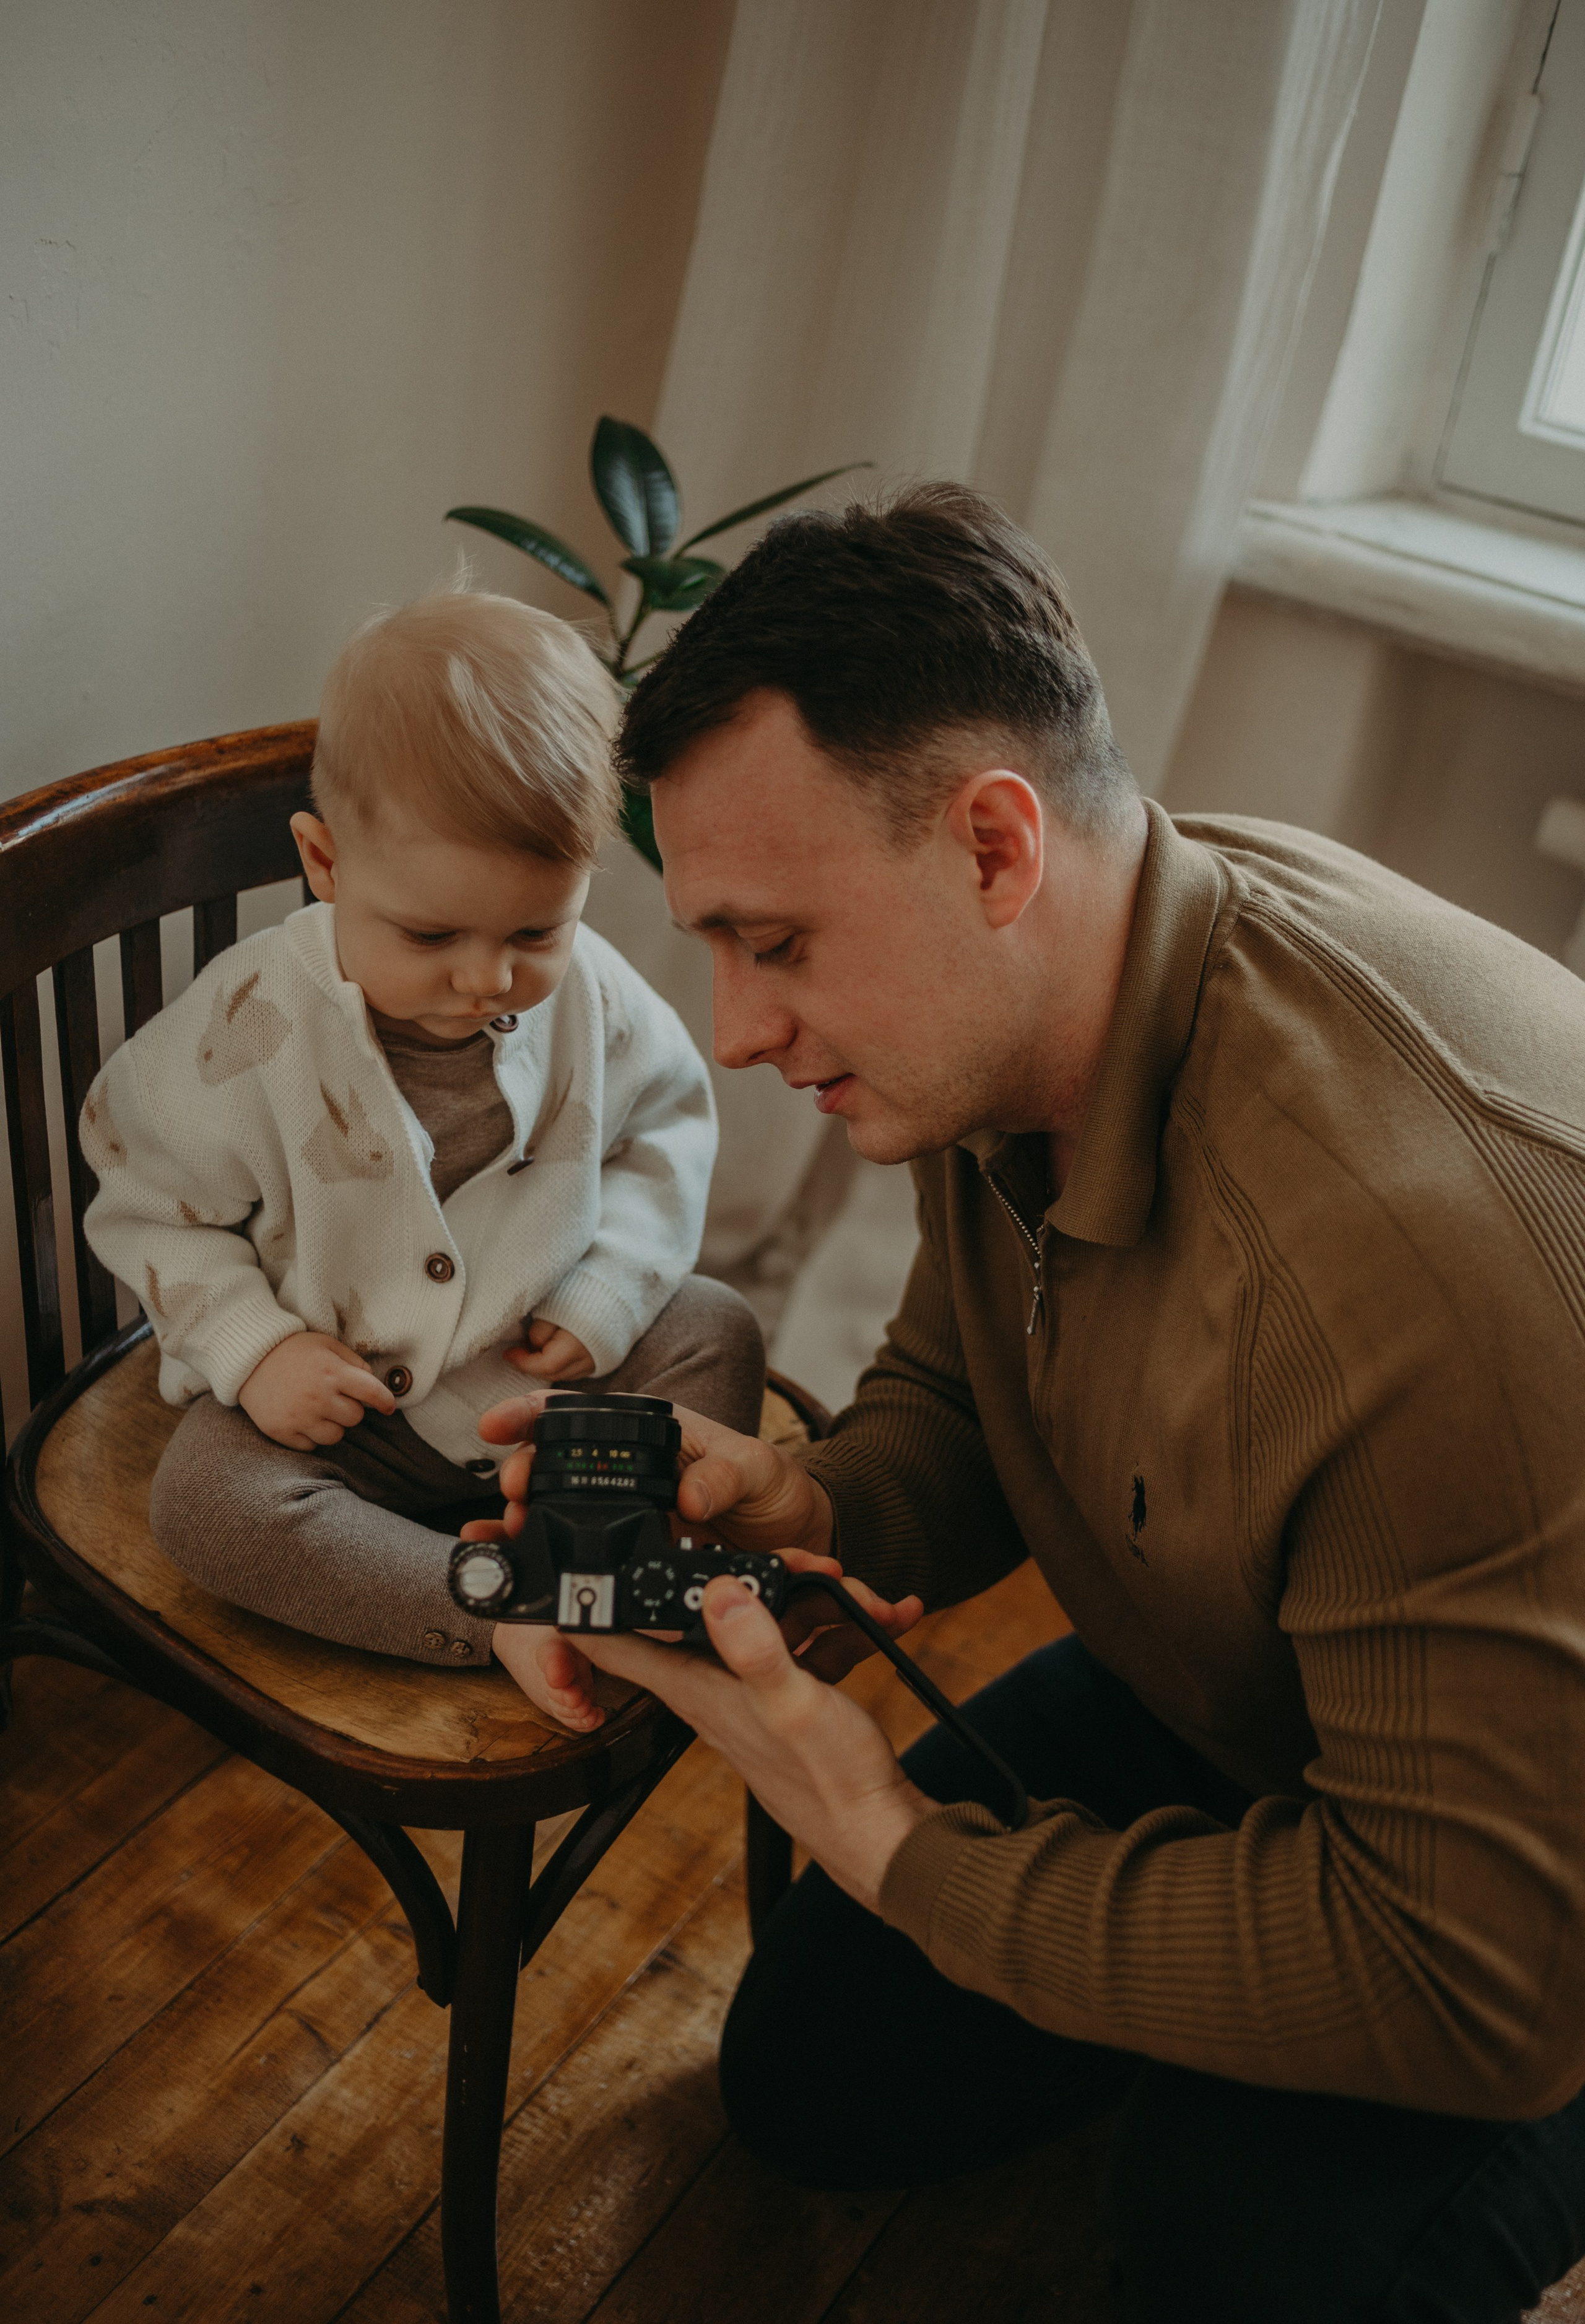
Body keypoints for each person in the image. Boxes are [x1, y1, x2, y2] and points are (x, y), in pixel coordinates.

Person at [473, 487, 1585, 2322]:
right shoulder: (1035, 996)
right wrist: (798, 1502)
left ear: (996, 846)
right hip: (1261, 1697)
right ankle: (1205, 1988)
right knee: (814, 2083)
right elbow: (968, 1385)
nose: (738, 1032)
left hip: (1520, 1913)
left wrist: (889, 1834)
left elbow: (1470, 1981)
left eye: (777, 942)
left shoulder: (1422, 1288)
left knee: (1237, 2256)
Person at [79, 588, 762, 1721]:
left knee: (714, 1326)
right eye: (433, 935)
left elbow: (668, 1133)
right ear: (325, 861)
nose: (488, 978)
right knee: (205, 1499)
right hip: (353, 1418)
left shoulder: (594, 995)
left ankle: (600, 1561)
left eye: (537, 930)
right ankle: (496, 1606)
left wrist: (608, 1291)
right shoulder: (250, 1021)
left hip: (549, 1395)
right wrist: (257, 1350)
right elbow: (147, 1202)